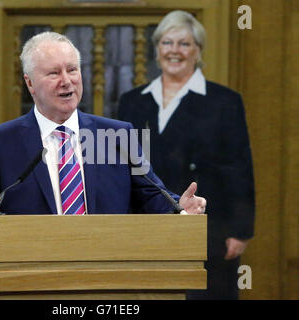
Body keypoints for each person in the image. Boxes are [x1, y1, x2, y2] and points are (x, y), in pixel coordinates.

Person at [0, 32, 206, 270]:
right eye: (54, 73)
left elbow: (151, 194)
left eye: (72, 70)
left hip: (109, 272)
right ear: (30, 83)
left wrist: (177, 208)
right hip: (30, 274)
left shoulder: (116, 135)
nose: (67, 81)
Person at [118, 11, 255, 300]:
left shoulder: (224, 101)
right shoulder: (132, 102)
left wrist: (240, 231)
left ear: (198, 50)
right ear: (157, 49)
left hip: (210, 230)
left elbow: (239, 168)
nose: (174, 51)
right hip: (147, 229)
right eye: (167, 42)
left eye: (184, 43)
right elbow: (122, 168)